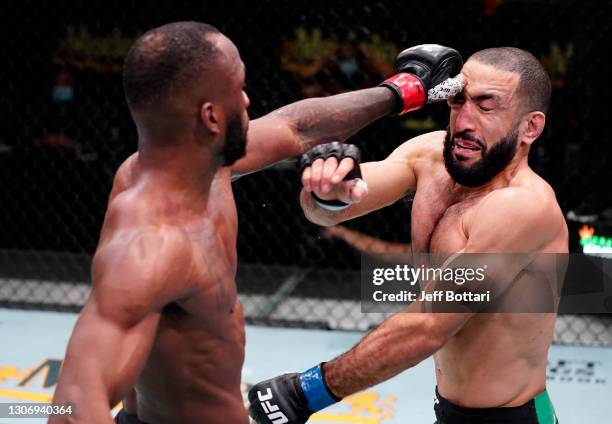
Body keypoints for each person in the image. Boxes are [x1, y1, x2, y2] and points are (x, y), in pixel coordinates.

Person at [49, 21, 462, 424]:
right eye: (238, 90)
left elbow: (295, 127)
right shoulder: (155, 244)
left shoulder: (200, 164)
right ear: (211, 118)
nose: (248, 101)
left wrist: (403, 91)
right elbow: (72, 408)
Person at [249, 47, 567, 424]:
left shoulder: (524, 207)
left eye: (487, 106)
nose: (464, 120)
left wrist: (306, 391)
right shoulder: (430, 155)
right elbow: (324, 211)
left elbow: (428, 326)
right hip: (448, 409)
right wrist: (327, 192)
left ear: (530, 127)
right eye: (458, 100)